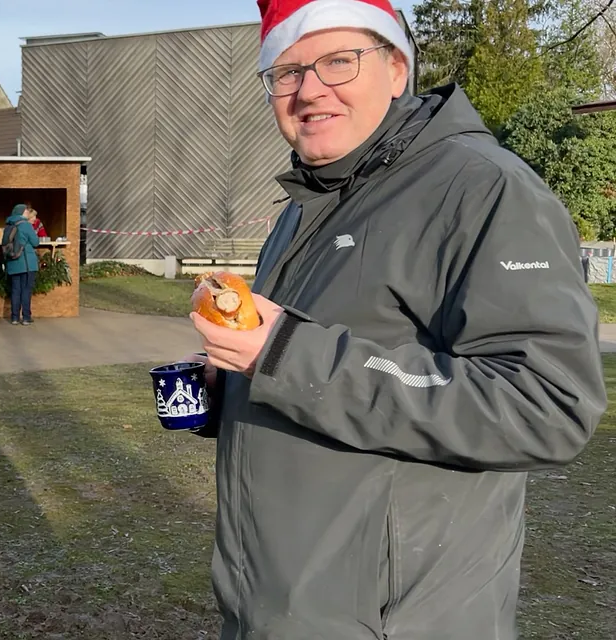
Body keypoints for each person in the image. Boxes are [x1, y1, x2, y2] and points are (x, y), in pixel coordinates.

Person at [189, 0, 608, 638]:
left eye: (337, 62)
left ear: (396, 69)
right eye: (286, 71)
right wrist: (237, 381)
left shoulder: (482, 189)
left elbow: (546, 405)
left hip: (397, 619)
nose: (309, 91)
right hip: (278, 605)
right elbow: (336, 360)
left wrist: (284, 355)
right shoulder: (309, 204)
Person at [3, 204, 39, 326]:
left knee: (15, 290)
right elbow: (35, 242)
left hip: (13, 263)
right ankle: (26, 317)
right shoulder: (26, 225)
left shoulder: (8, 225)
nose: (28, 213)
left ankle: (14, 317)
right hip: (26, 262)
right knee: (26, 290)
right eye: (26, 211)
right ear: (22, 213)